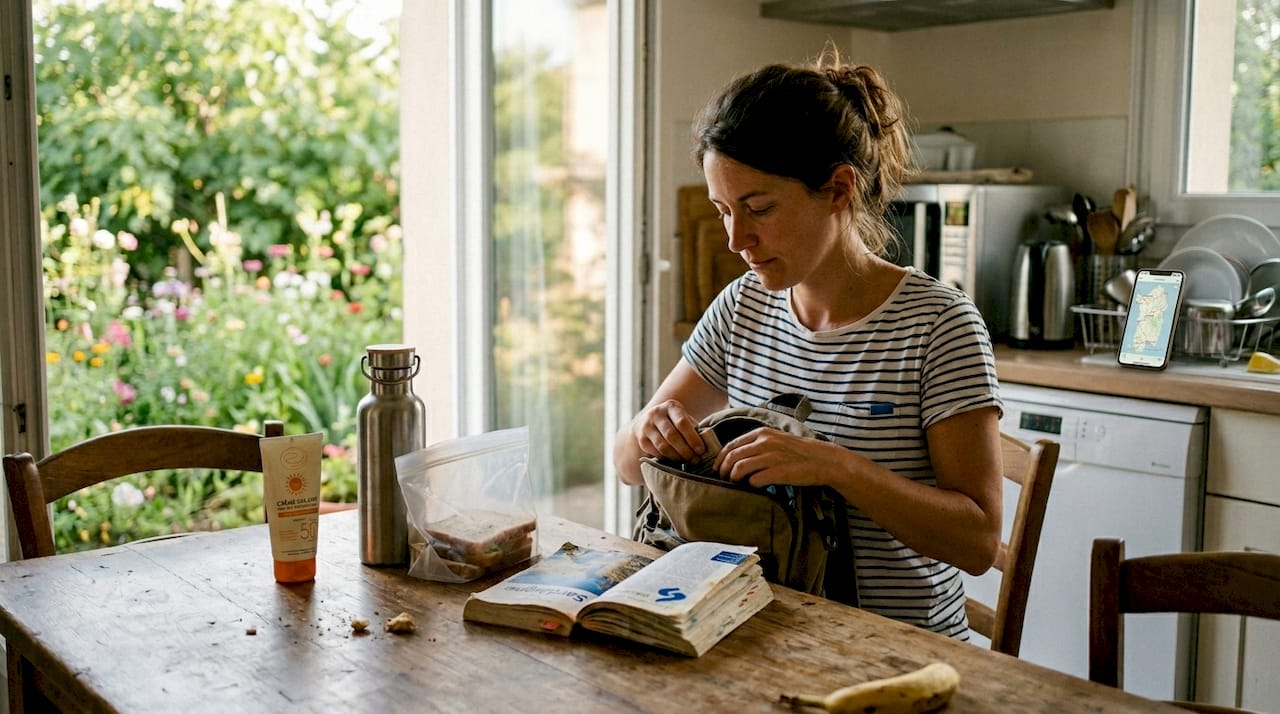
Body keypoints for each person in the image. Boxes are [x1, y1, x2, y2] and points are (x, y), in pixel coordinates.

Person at [612, 55, 1003, 639]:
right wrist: (650, 429)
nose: (736, 239)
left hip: (899, 652)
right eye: (724, 211)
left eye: (759, 208)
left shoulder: (938, 327)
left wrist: (836, 466)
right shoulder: (743, 307)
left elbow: (977, 542)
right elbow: (625, 465)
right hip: (758, 635)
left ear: (838, 188)